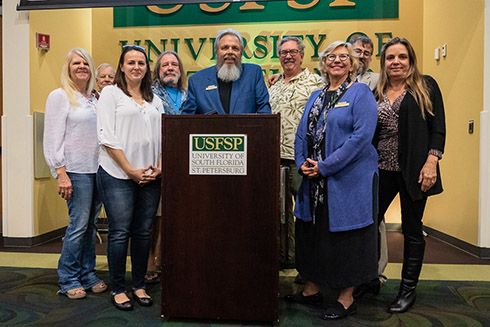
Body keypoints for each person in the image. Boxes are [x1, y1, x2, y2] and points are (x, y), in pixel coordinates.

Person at [286, 41, 378, 320]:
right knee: (313, 234)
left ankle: (346, 298)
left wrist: (325, 166)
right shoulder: (315, 95)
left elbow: (361, 138)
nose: (336, 61)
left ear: (352, 64)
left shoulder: (360, 93)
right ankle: (311, 289)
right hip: (313, 180)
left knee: (346, 239)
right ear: (323, 64)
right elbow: (302, 133)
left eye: (343, 57)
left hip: (347, 180)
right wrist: (302, 162)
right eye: (331, 57)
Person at [374, 37, 445, 313]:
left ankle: (407, 291)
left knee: (412, 230)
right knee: (369, 224)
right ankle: (368, 278)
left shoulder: (425, 86)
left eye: (402, 57)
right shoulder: (377, 91)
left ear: (410, 60)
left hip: (415, 170)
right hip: (381, 169)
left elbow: (438, 127)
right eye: (391, 57)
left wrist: (432, 162)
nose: (396, 62)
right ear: (384, 63)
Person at [96, 45, 164, 311]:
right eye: (131, 62)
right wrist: (129, 170)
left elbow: (162, 139)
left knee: (142, 232)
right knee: (120, 232)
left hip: (150, 176)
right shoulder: (110, 94)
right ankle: (117, 288)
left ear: (147, 68)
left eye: (141, 63)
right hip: (117, 175)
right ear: (121, 66)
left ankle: (138, 285)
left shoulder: (154, 99)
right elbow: (106, 136)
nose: (136, 67)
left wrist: (159, 167)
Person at [43, 48, 107, 299]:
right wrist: (60, 172)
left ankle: (88, 273)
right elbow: (52, 137)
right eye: (76, 63)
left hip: (98, 170)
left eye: (85, 63)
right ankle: (68, 278)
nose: (81, 67)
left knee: (91, 226)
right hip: (75, 171)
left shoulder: (95, 98)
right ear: (68, 68)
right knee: (78, 226)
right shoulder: (59, 96)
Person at [269, 36, 323, 270]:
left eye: (293, 51)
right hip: (272, 158)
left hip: (301, 159)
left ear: (302, 55)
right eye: (283, 52)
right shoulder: (273, 84)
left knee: (305, 213)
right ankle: (288, 257)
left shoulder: (316, 82)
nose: (288, 56)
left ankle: (309, 264)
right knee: (279, 214)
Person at [143, 50, 187, 284]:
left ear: (180, 70)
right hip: (156, 162)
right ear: (158, 71)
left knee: (177, 217)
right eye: (164, 65)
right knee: (152, 217)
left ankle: (169, 261)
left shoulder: (188, 94)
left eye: (174, 64)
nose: (170, 68)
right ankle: (149, 264)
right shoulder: (149, 95)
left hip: (183, 166)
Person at [350, 35, 388, 298]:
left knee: (376, 216)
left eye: (367, 52)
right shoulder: (334, 77)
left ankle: (377, 273)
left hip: (369, 157)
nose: (362, 55)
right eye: (358, 50)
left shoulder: (377, 81)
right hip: (340, 160)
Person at [181, 28, 271, 114]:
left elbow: (264, 109)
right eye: (225, 48)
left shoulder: (253, 74)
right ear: (216, 52)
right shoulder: (197, 81)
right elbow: (187, 118)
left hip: (246, 130)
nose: (230, 52)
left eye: (235, 48)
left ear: (241, 53)